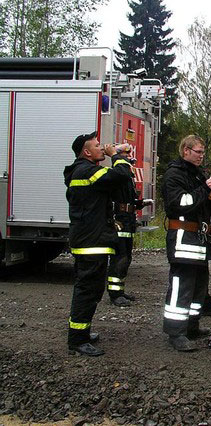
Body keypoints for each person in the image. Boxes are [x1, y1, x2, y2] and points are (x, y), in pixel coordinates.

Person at [64, 132, 132, 356]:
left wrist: (119, 154)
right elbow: (120, 176)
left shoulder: (83, 171)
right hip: (91, 242)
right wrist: (117, 156)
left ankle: (82, 332)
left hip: (91, 239)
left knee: (91, 290)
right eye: (96, 146)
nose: (101, 148)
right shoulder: (87, 171)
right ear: (86, 152)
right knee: (87, 290)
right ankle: (77, 339)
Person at [162, 135, 211, 352]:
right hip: (182, 240)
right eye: (198, 151)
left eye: (202, 152)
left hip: (198, 240)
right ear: (186, 151)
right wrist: (205, 189)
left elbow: (203, 204)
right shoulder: (174, 174)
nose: (201, 155)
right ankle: (176, 332)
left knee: (199, 287)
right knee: (181, 287)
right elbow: (181, 203)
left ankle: (192, 326)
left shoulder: (198, 175)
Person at [107, 148, 153, 307]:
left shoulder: (127, 176)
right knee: (119, 257)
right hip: (120, 220)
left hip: (128, 220)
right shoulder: (119, 174)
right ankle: (115, 294)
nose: (130, 159)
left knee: (126, 257)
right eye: (126, 156)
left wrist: (140, 204)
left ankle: (120, 290)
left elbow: (128, 200)